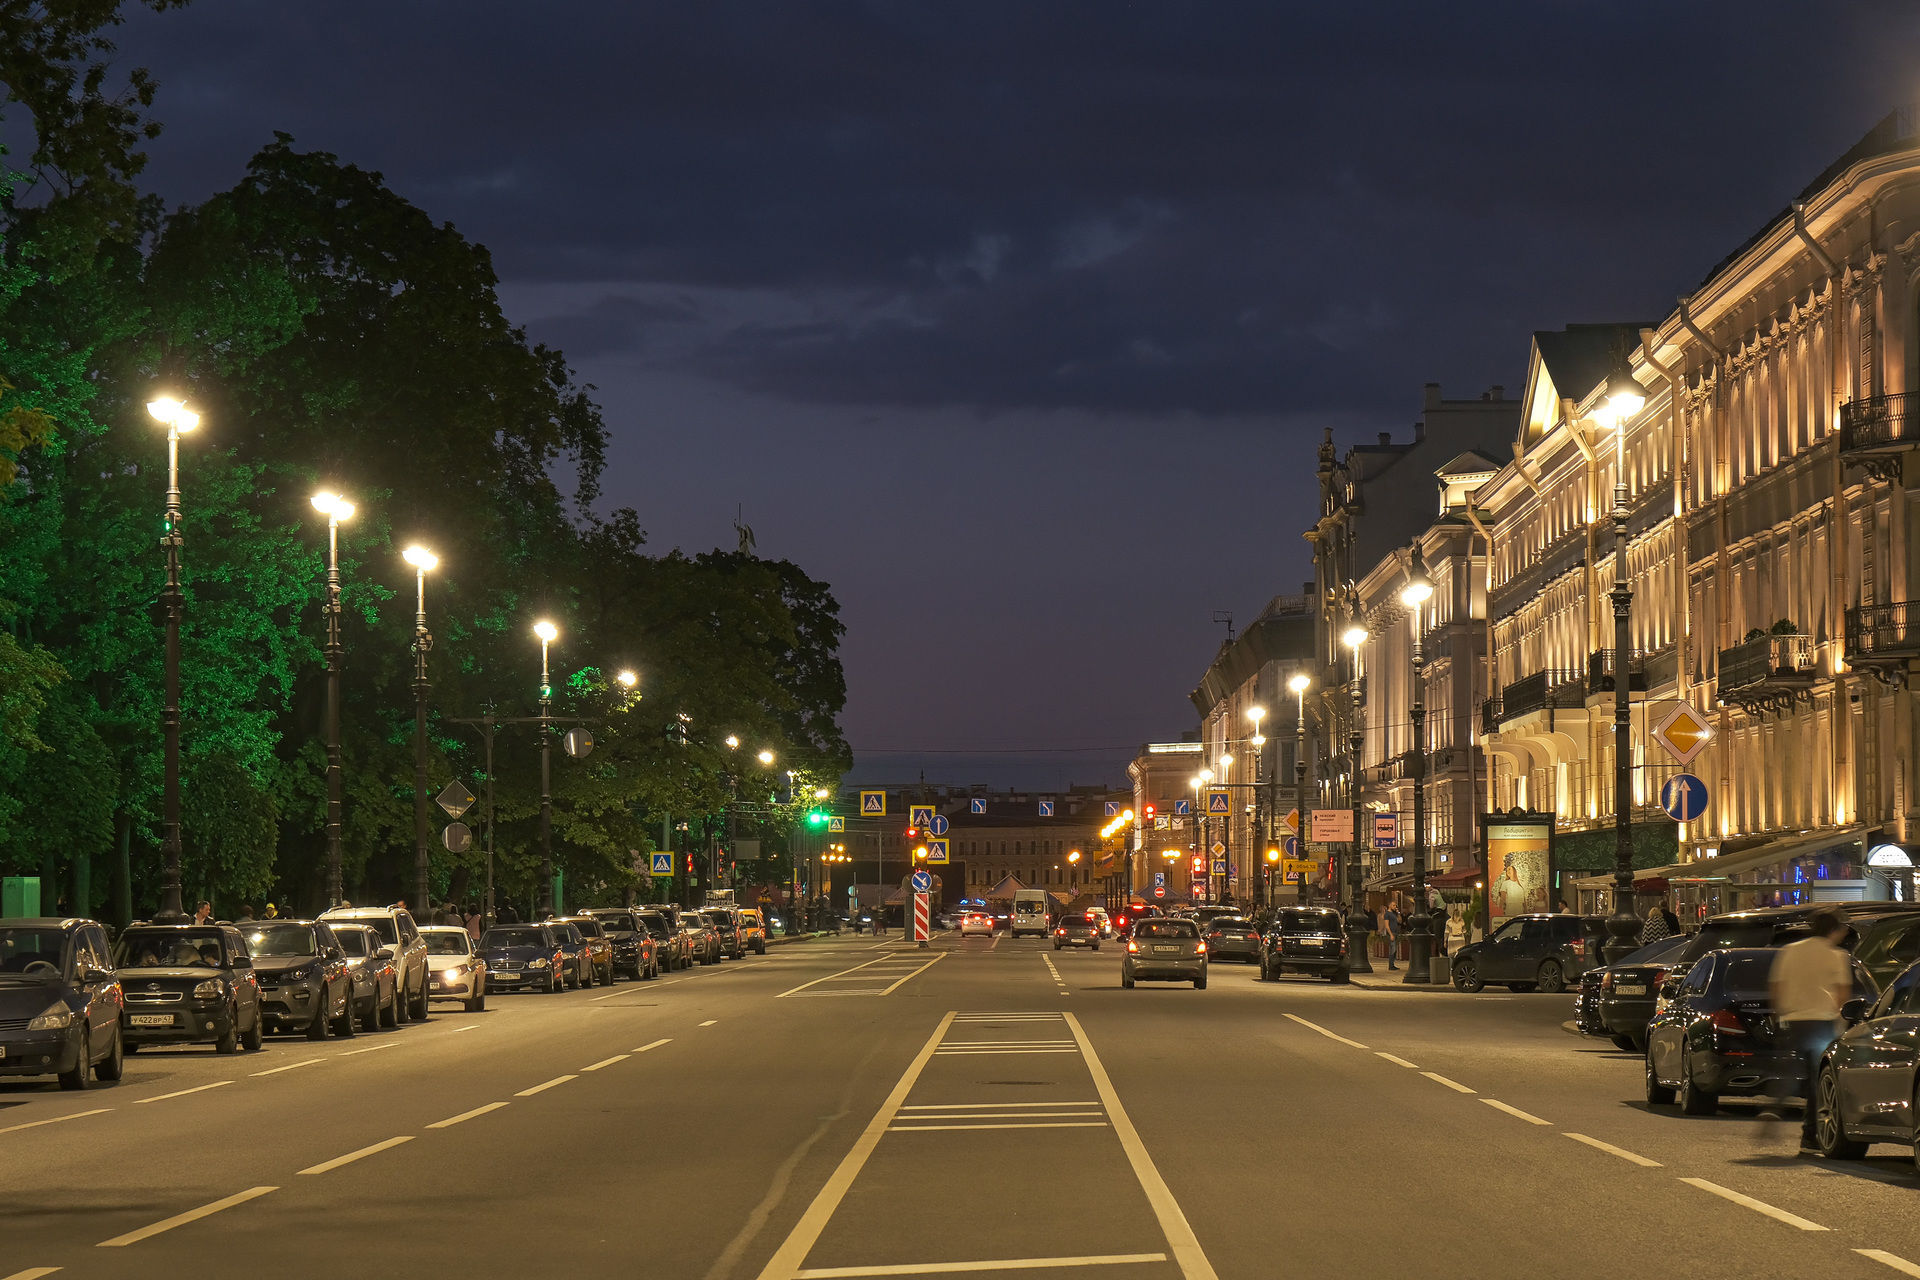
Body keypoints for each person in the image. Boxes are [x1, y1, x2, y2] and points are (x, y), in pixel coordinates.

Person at [1766, 907, 1853, 1153]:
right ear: (1833, 931)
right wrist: (1840, 1020)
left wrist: (1779, 1014)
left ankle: (1774, 1105)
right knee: (1819, 1079)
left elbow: (1776, 986)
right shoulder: (1836, 956)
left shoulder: (1789, 952)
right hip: (1822, 1023)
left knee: (1788, 1068)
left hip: (1792, 1020)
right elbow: (1843, 994)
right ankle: (1810, 1134)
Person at [1382, 896, 1402, 971]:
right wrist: (1390, 934)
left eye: (1395, 905)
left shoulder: (1394, 914)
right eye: (1393, 905)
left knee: (1395, 949)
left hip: (1396, 932)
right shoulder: (1387, 914)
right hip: (1391, 932)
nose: (1395, 906)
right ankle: (1391, 965)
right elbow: (1386, 925)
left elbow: (1399, 921)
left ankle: (1392, 963)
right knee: (1392, 949)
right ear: (1389, 905)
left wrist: (1398, 913)